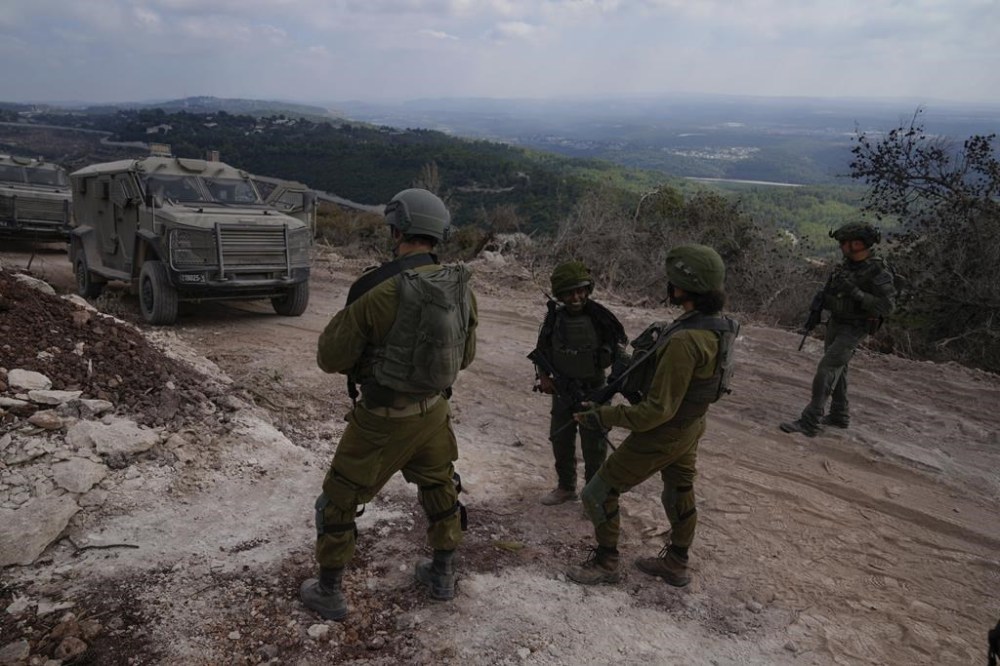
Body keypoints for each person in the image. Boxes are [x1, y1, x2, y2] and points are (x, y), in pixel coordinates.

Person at [300, 188, 478, 620]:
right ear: (439, 235)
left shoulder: (379, 292)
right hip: (434, 414)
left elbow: (330, 358)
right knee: (440, 487)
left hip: (381, 421)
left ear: (397, 230)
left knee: (338, 501)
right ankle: (442, 572)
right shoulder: (459, 287)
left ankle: (329, 590)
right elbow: (466, 356)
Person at [565, 244, 739, 588]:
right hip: (691, 425)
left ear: (684, 287)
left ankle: (606, 562)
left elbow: (655, 412)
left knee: (597, 493)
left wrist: (603, 415)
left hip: (665, 431)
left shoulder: (686, 341)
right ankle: (676, 561)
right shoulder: (718, 327)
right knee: (679, 488)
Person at [780, 222, 895, 437]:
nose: (841, 246)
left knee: (827, 369)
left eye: (844, 242)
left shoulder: (878, 271)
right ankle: (839, 415)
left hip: (855, 327)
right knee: (838, 370)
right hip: (837, 322)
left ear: (858, 244)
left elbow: (887, 306)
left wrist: (855, 293)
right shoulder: (847, 265)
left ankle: (810, 421)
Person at [530, 261, 627, 506]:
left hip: (594, 389)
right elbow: (542, 351)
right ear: (560, 295)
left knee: (594, 445)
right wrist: (544, 378)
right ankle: (566, 487)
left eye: (581, 290)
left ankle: (593, 495)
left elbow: (620, 353)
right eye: (569, 292)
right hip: (563, 391)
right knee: (560, 440)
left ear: (588, 289)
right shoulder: (553, 320)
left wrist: (612, 386)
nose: (576, 297)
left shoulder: (601, 318)